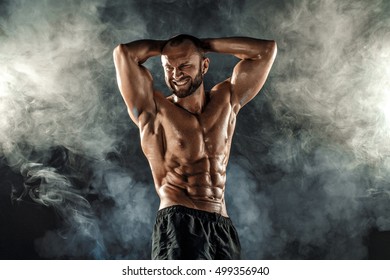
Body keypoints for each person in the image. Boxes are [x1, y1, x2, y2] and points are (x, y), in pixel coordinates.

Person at [113, 34, 277, 259]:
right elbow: (124, 54)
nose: (176, 74)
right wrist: (167, 47)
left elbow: (266, 50)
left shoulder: (226, 101)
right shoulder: (153, 110)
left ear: (204, 65)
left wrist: (204, 45)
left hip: (222, 227)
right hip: (180, 223)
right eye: (168, 67)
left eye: (185, 65)